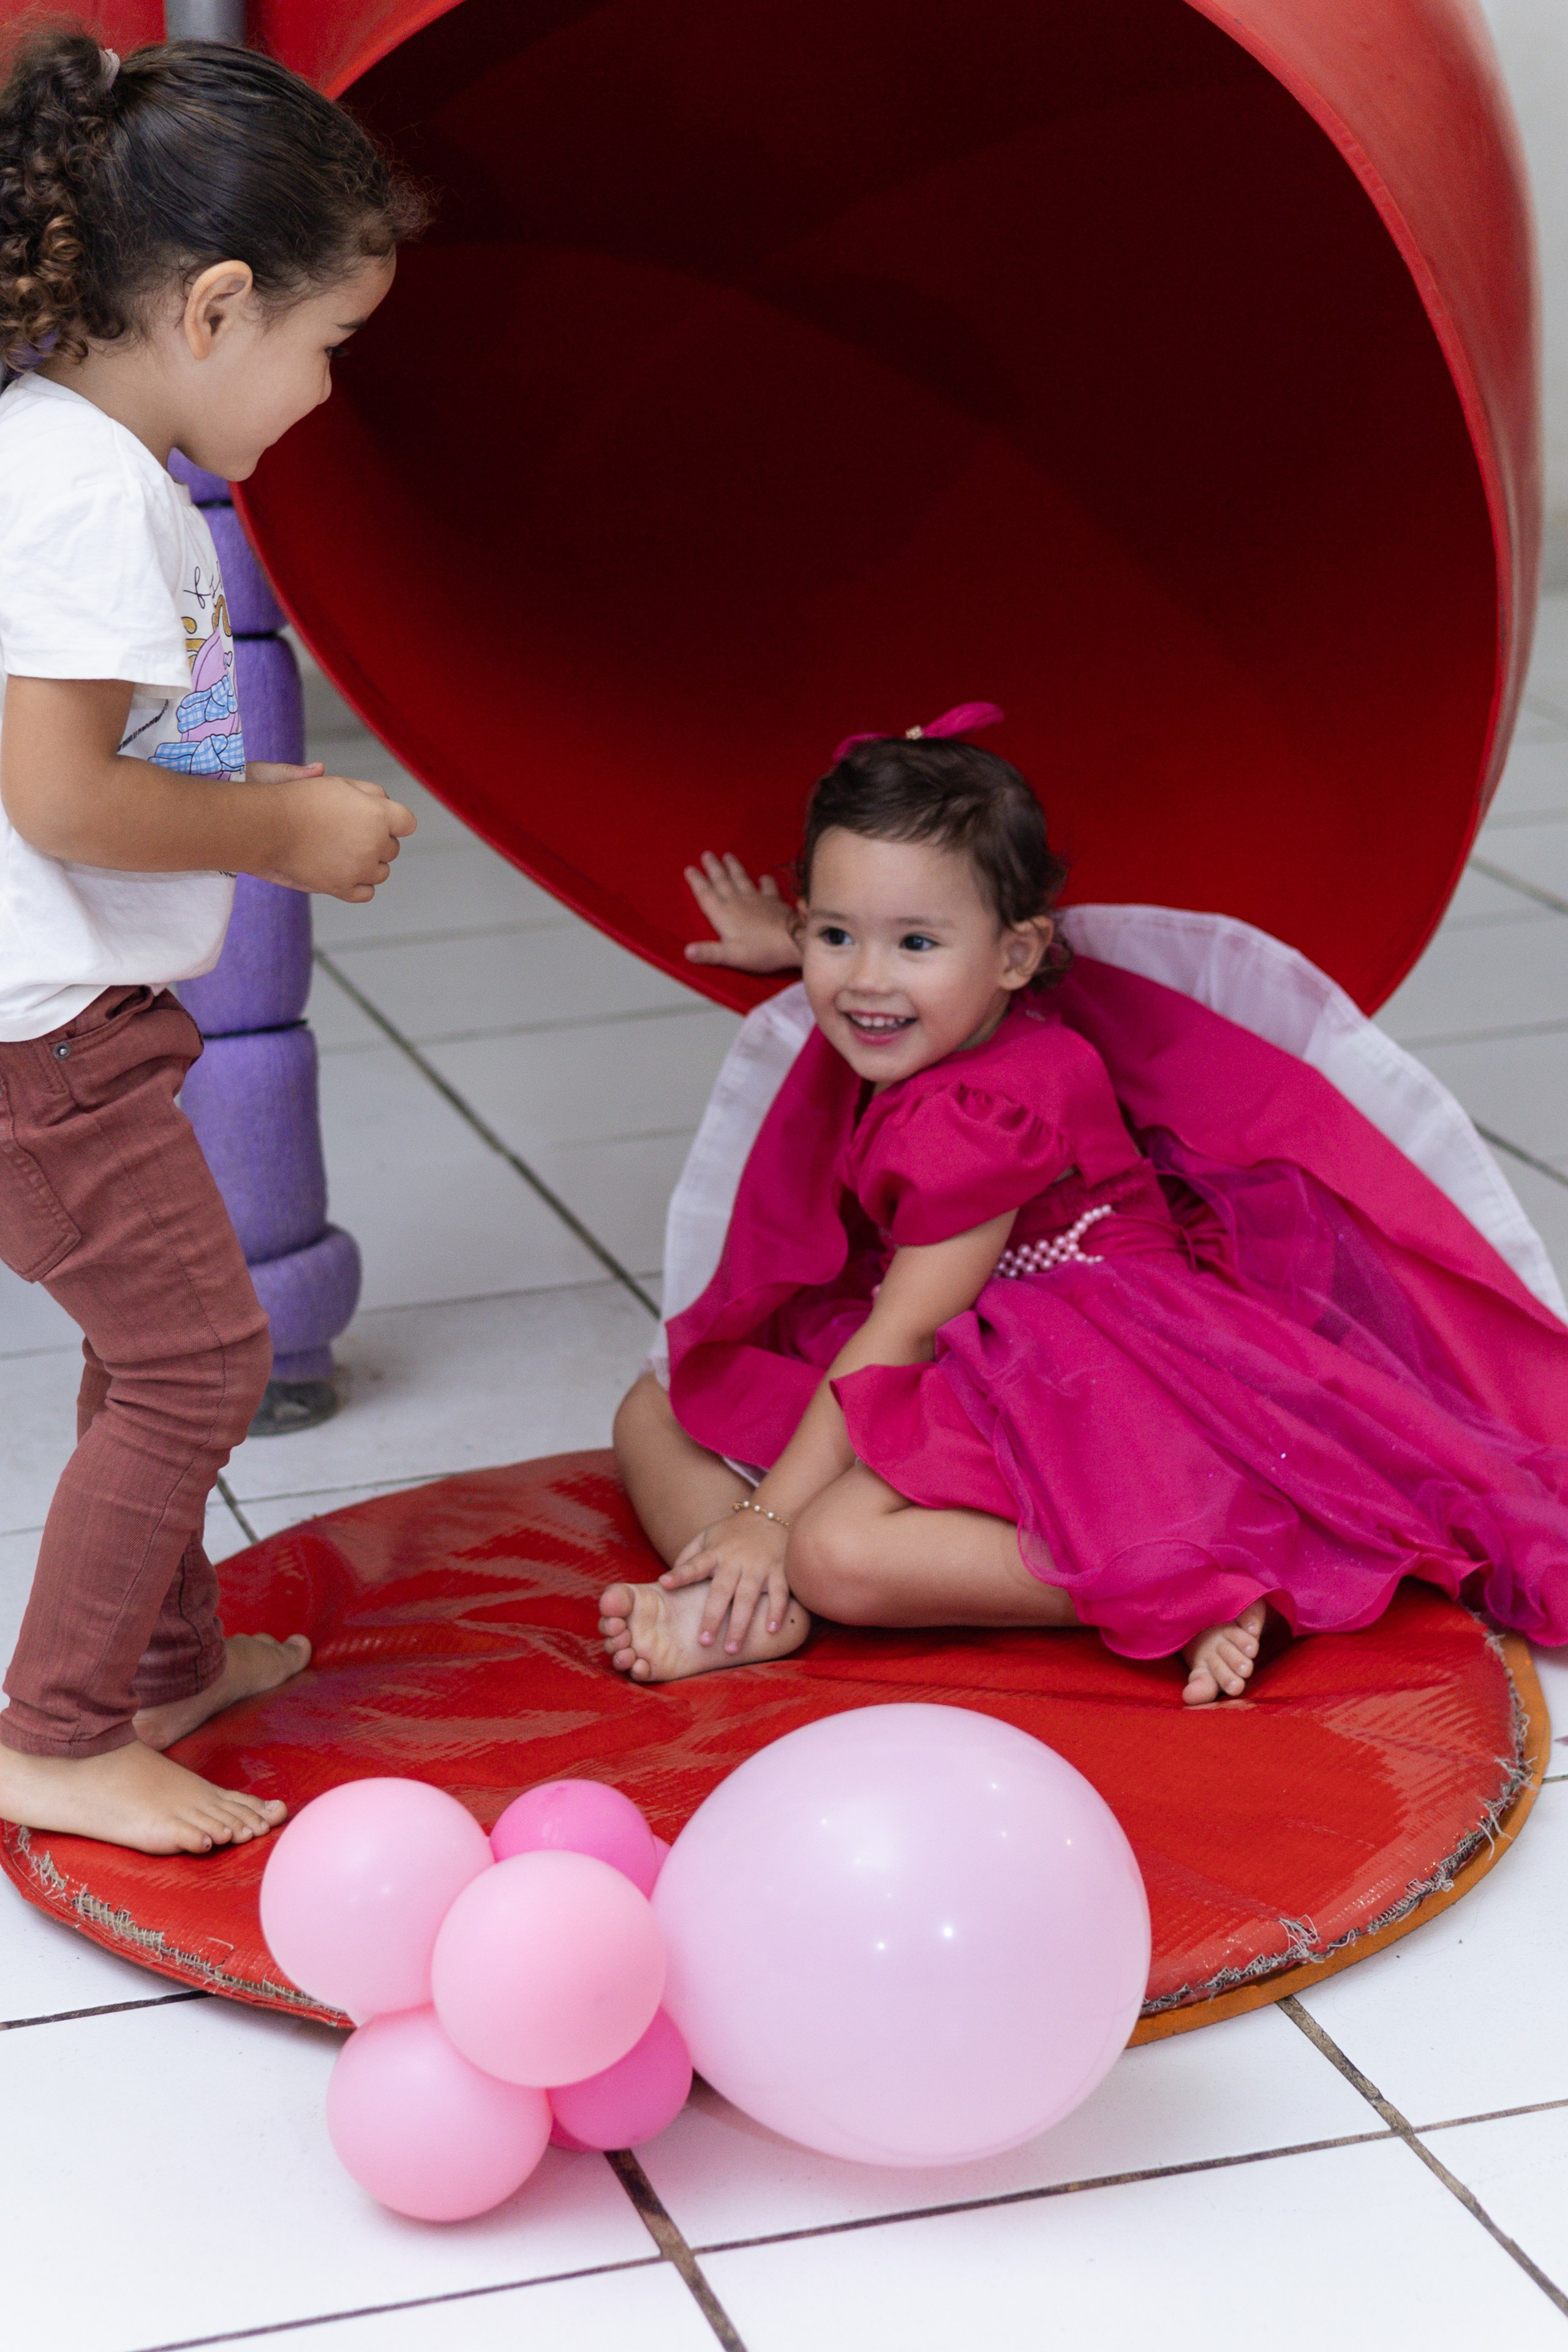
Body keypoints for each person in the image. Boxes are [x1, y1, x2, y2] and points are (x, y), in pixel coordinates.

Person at [601, 714, 1568, 1701]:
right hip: (983, 1335)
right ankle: (740, 1597)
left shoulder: (976, 1116)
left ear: (1016, 956)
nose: (866, 980)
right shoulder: (971, 1003)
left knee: (834, 1549)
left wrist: (769, 1517)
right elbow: (892, 958)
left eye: (915, 942)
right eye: (836, 936)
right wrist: (797, 941)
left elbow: (907, 1330)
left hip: (1073, 1363)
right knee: (658, 1405)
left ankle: (1186, 1579)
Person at [0, 31, 425, 1853]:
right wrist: (286, 833)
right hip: (41, 1040)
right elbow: (63, 798)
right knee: (195, 1361)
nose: (325, 391)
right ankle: (57, 1732)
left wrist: (238, 794)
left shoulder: (50, 447)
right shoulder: (95, 491)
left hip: (65, 1016)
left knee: (151, 1342)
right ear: (217, 307)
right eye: (329, 344)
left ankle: (160, 1662)